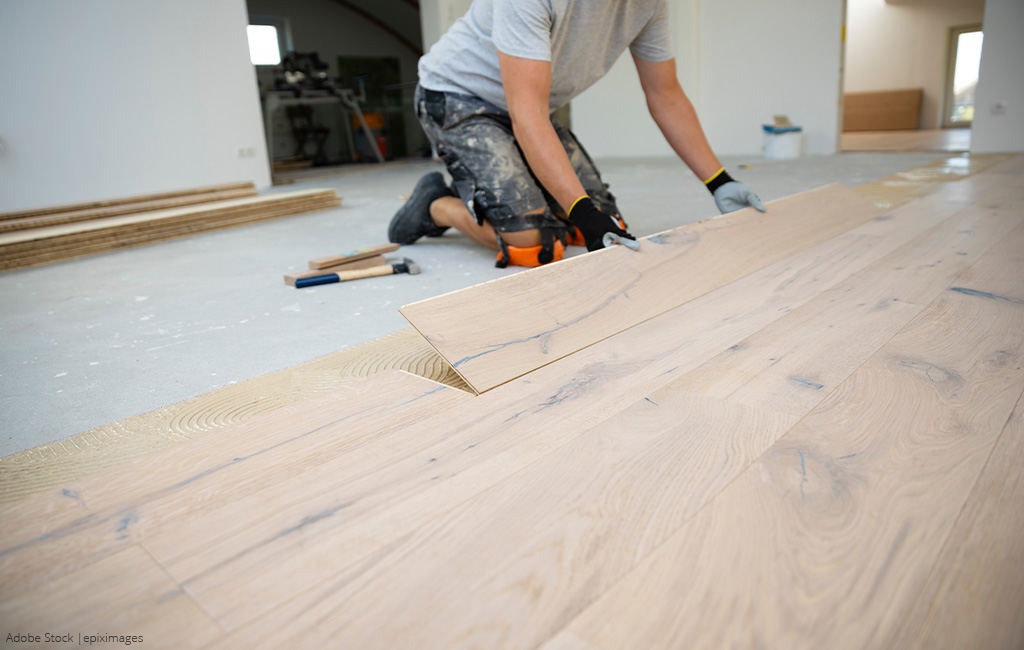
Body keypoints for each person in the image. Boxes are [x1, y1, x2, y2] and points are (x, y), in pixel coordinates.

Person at [388, 0, 766, 268]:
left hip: (528, 106)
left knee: (603, 228)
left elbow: (665, 94)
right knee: (535, 245)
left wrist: (718, 181)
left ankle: (490, 195)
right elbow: (527, 112)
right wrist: (581, 209)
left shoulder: (649, 4)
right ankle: (436, 205)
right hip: (459, 98)